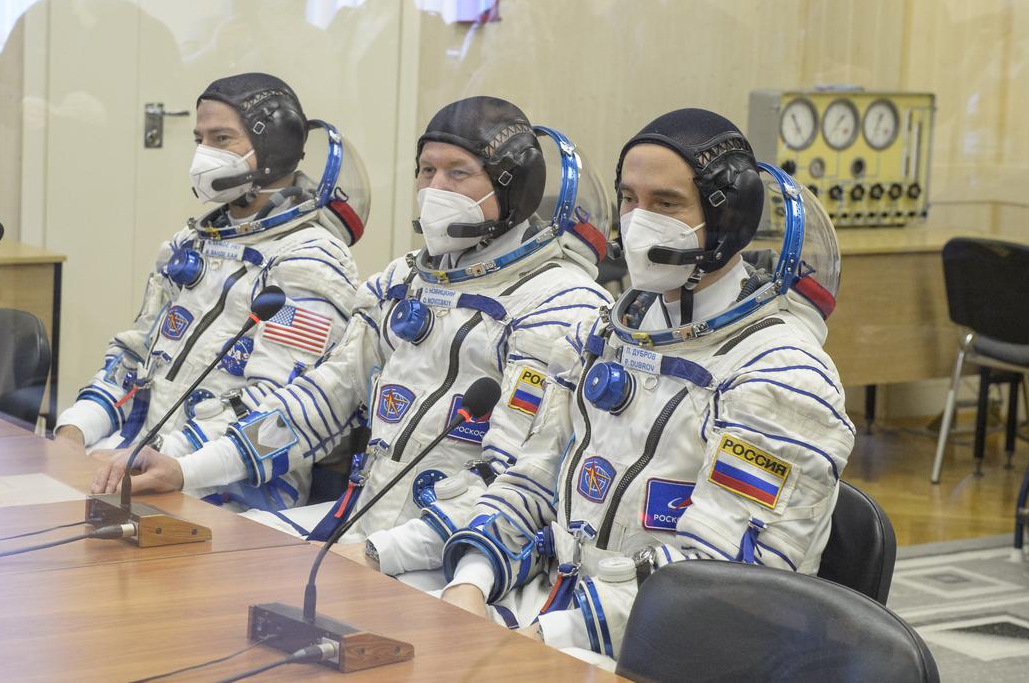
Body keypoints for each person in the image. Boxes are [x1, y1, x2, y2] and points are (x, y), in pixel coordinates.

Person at [93, 97, 614, 578]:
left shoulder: (560, 304)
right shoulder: (401, 281)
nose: (435, 190)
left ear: (510, 189)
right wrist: (187, 469)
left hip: (458, 560)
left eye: (459, 174)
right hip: (357, 526)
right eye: (427, 171)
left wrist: (378, 553)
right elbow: (322, 398)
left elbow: (511, 477)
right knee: (187, 565)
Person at [436, 109, 851, 666]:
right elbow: (531, 478)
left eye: (667, 204)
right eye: (629, 199)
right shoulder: (598, 337)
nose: (638, 222)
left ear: (726, 220)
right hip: (547, 616)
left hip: (679, 654)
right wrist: (471, 580)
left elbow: (719, 586)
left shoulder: (781, 378)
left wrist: (542, 638)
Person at [56, 73, 368, 505]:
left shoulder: (310, 260)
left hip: (235, 486)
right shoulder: (187, 246)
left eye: (222, 138)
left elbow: (275, 405)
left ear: (272, 149)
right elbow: (134, 359)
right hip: (136, 457)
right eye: (200, 139)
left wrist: (166, 457)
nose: (205, 154)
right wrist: (74, 431)